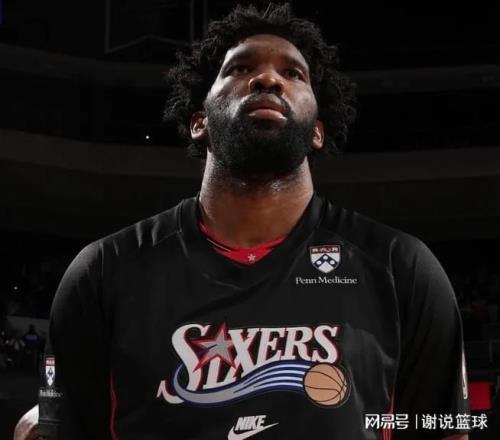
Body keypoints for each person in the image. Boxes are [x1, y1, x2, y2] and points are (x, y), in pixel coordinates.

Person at [31, 3, 470, 439]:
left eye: (293, 73)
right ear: (200, 122)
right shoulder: (105, 270)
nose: (268, 79)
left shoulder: (400, 267)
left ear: (317, 131)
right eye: (240, 69)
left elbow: (444, 430)